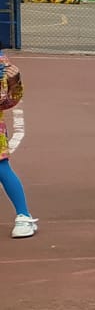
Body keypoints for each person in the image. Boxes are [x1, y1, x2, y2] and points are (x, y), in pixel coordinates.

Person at [0, 51, 35, 238]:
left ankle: (23, 215)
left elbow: (6, 102)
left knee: (1, 167)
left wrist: (14, 83)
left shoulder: (2, 61)